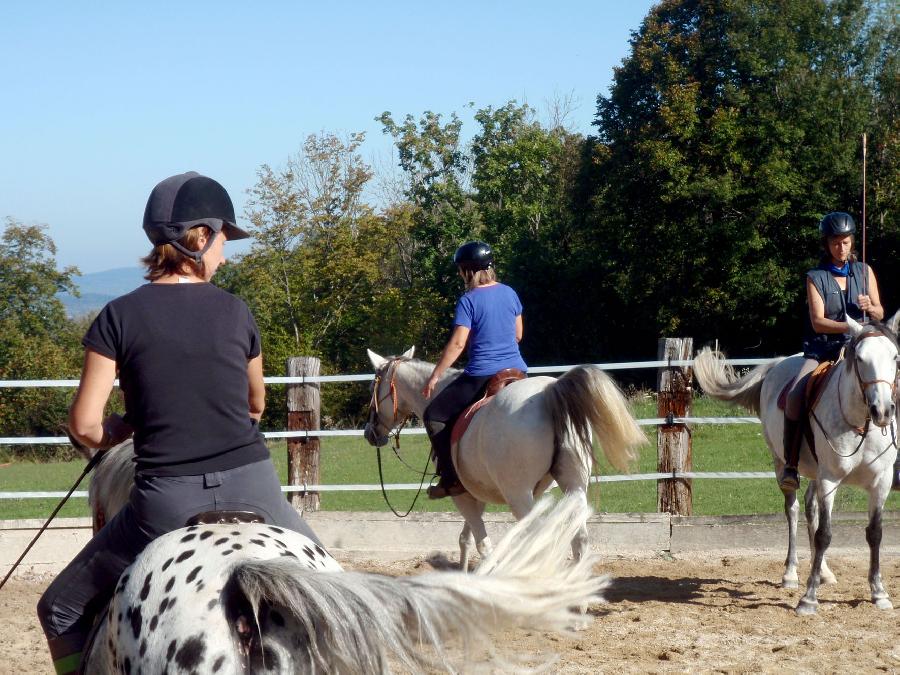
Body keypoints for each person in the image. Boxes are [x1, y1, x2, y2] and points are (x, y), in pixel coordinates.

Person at [37, 171, 321, 675]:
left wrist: (126, 427)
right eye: (223, 241)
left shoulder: (117, 317)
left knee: (58, 609)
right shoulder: (237, 311)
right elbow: (256, 403)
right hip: (256, 487)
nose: (225, 256)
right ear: (199, 236)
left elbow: (84, 426)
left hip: (166, 503)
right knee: (334, 589)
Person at [780, 211, 885, 493]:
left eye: (846, 242)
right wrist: (849, 327)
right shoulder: (815, 277)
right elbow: (818, 320)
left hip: (862, 348)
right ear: (827, 244)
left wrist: (870, 307)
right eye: (836, 242)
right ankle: (791, 464)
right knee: (794, 396)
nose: (842, 248)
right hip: (824, 349)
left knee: (890, 388)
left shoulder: (865, 271)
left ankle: (893, 462)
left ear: (853, 243)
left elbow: (879, 311)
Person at [421, 241, 527, 499]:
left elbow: (458, 343)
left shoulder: (468, 300)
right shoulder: (510, 292)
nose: (460, 274)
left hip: (482, 374)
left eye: (460, 270)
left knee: (434, 415)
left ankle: (451, 479)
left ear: (468, 271)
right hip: (518, 371)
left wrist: (435, 375)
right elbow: (518, 335)